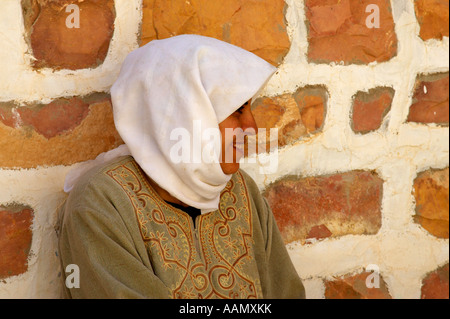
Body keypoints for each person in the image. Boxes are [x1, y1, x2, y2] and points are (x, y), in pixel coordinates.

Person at [57, 34, 305, 299]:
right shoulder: (103, 202)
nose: (252, 128)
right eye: (237, 110)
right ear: (186, 113)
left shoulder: (242, 191)